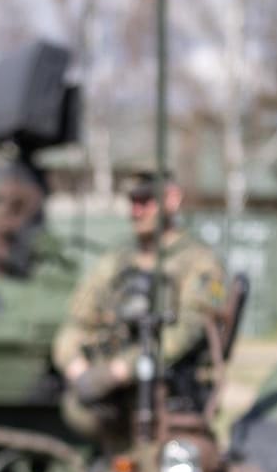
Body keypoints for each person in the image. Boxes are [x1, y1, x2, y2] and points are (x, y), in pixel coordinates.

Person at [52, 172, 225, 449]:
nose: (136, 211)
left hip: (166, 393)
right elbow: (77, 320)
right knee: (76, 408)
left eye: (146, 201)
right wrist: (75, 365)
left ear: (171, 200)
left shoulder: (199, 263)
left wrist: (120, 370)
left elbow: (183, 336)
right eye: (132, 201)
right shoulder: (118, 259)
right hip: (115, 395)